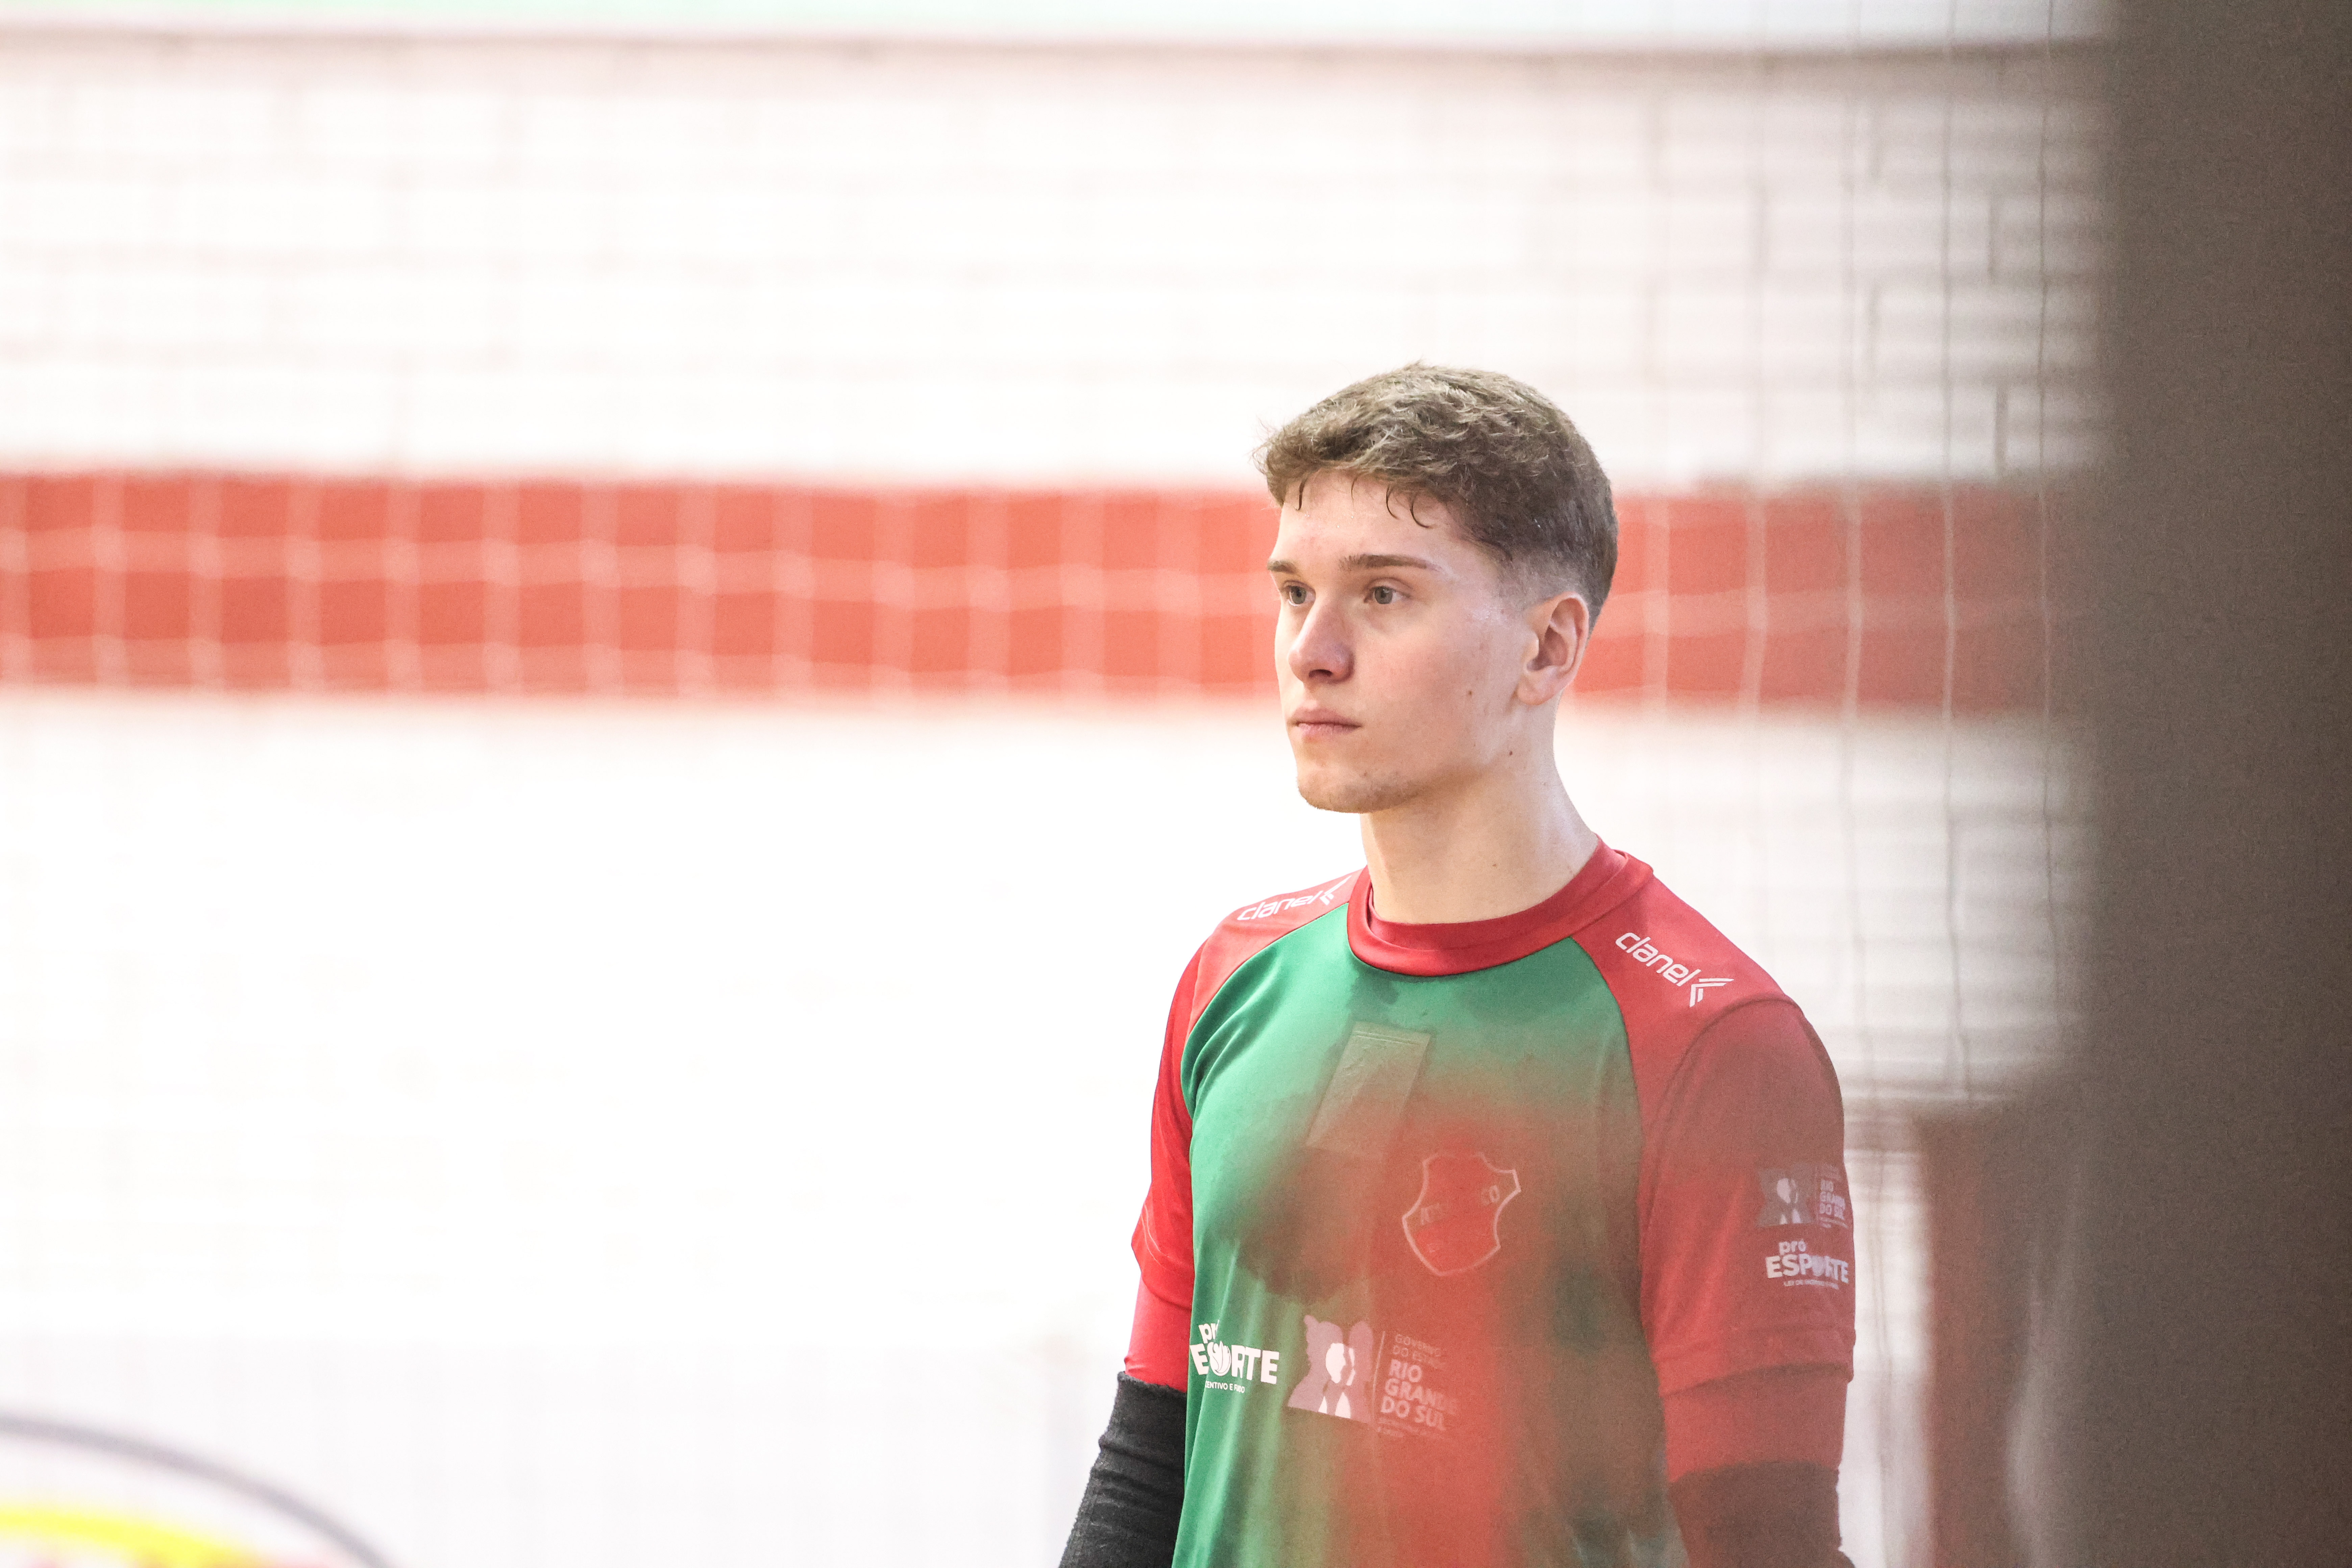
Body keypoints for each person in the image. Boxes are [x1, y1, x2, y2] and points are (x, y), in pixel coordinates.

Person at [1058, 366, 1856, 1568]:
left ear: (1547, 648)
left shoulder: (1713, 1042)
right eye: (1293, 592)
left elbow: (1767, 1544)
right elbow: (1149, 1460)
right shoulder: (1234, 977)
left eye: (1383, 594)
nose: (1312, 652)